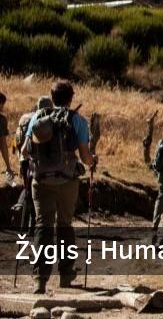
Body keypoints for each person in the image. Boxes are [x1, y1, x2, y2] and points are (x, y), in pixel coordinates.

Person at [21, 82, 95, 293]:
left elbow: (25, 151)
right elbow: (85, 157)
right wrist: (92, 161)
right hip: (67, 181)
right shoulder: (78, 120)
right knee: (65, 225)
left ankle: (40, 279)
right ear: (71, 98)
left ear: (52, 97)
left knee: (43, 226)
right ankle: (66, 274)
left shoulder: (38, 117)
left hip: (41, 181)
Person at [11, 96, 53, 230]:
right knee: (39, 192)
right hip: (38, 160)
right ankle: (33, 223)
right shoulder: (46, 120)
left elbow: (18, 140)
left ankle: (24, 217)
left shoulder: (24, 118)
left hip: (24, 159)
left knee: (28, 188)